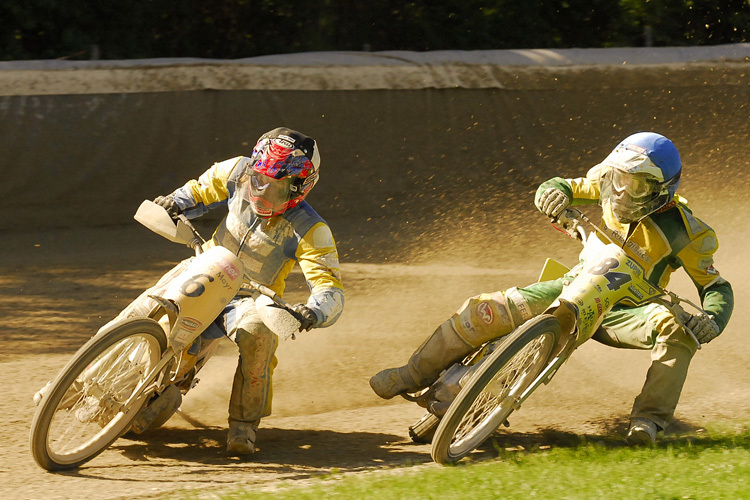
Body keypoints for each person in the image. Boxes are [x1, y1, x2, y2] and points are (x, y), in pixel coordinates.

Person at [370, 131, 733, 445]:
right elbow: (559, 185)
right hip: (576, 283)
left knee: (678, 330)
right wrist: (552, 195)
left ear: (660, 191)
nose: (619, 192)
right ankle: (412, 374)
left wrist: (713, 318)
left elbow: (715, 285)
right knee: (485, 309)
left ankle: (649, 420)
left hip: (629, 311)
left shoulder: (691, 232)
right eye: (616, 179)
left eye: (634, 185)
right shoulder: (603, 187)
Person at [154, 127, 344, 455]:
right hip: (204, 266)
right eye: (259, 180)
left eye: (277, 186)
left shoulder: (312, 229)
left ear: (300, 186)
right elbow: (201, 189)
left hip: (249, 298)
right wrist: (176, 201)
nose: (263, 192)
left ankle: (243, 426)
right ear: (252, 169)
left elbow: (330, 289)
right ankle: (79, 380)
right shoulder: (237, 169)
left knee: (260, 334)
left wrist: (312, 311)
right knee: (148, 306)